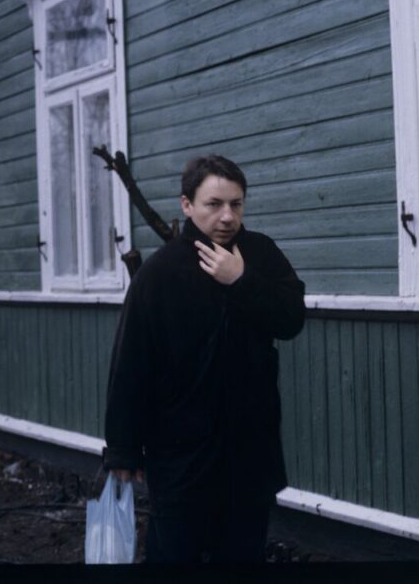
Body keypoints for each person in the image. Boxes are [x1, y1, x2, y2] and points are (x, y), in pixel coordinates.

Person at [103, 155, 306, 564]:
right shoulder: (159, 274)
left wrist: (242, 280)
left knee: (243, 554)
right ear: (187, 205)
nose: (227, 216)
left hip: (248, 452)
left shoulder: (261, 254)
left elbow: (291, 319)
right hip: (181, 459)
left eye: (237, 203)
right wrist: (122, 450)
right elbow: (130, 363)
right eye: (214, 204)